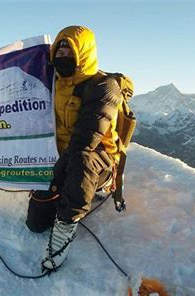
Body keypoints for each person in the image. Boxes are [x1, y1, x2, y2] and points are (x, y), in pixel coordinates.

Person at [26, 26, 123, 272]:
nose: (64, 54)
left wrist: (52, 178)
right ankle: (62, 198)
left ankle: (66, 225)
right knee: (35, 224)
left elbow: (84, 141)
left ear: (84, 53)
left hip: (96, 161)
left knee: (81, 159)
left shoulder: (104, 86)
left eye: (70, 48)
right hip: (60, 157)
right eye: (60, 48)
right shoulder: (53, 81)